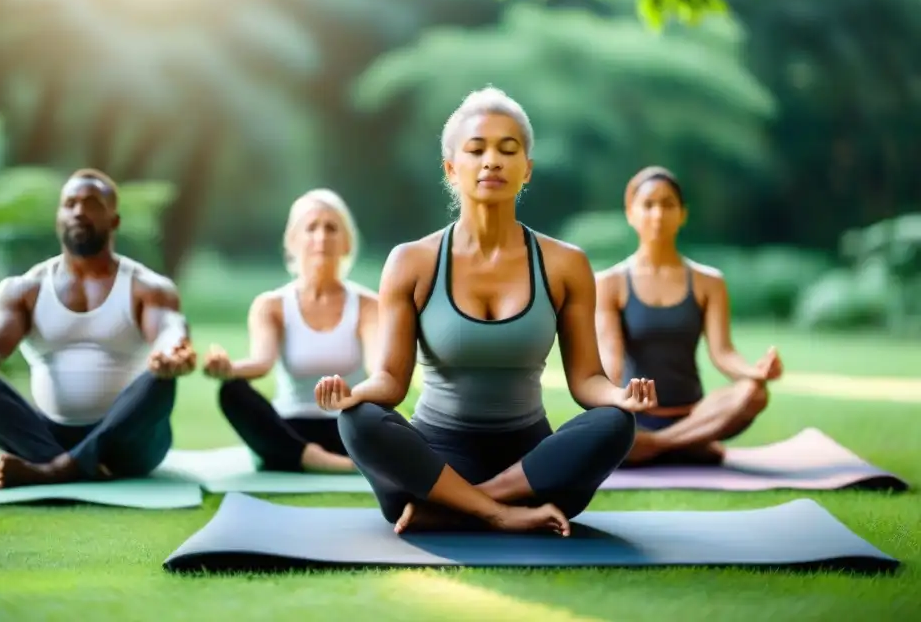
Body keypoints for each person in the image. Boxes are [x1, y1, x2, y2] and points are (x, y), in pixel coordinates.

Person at [315, 87, 658, 537]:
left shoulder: (565, 264)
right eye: (476, 150)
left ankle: (457, 509)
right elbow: (391, 382)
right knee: (359, 421)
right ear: (452, 169)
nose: (492, 160)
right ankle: (499, 512)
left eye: (507, 149)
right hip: (434, 461)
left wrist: (620, 397)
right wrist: (353, 394)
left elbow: (586, 380)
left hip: (531, 466)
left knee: (615, 424)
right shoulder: (412, 262)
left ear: (527, 170)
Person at [0, 168, 196, 489]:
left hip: (129, 443)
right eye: (70, 203)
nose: (78, 211)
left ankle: (55, 470)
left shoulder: (148, 287)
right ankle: (67, 464)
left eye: (91, 203)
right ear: (58, 217)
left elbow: (169, 328)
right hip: (48, 437)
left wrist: (173, 351)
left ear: (113, 220)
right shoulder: (24, 289)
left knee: (161, 380)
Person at [595, 165, 782, 467]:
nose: (658, 214)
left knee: (755, 394)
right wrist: (611, 405)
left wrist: (755, 373)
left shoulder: (709, 282)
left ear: (682, 214)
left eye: (668, 204)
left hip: (696, 415)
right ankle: (688, 446)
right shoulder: (609, 283)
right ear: (631, 213)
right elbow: (610, 359)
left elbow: (723, 353)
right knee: (600, 433)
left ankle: (654, 446)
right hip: (636, 417)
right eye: (648, 205)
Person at [202, 189, 378, 474]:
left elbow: (379, 368)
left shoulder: (370, 306)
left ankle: (300, 460)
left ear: (347, 243)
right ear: (292, 242)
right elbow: (261, 363)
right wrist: (228, 368)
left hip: (349, 426)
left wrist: (354, 395)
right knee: (232, 392)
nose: (321, 237)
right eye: (311, 228)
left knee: (384, 412)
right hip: (291, 428)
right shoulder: (271, 305)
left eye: (331, 228)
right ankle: (321, 461)